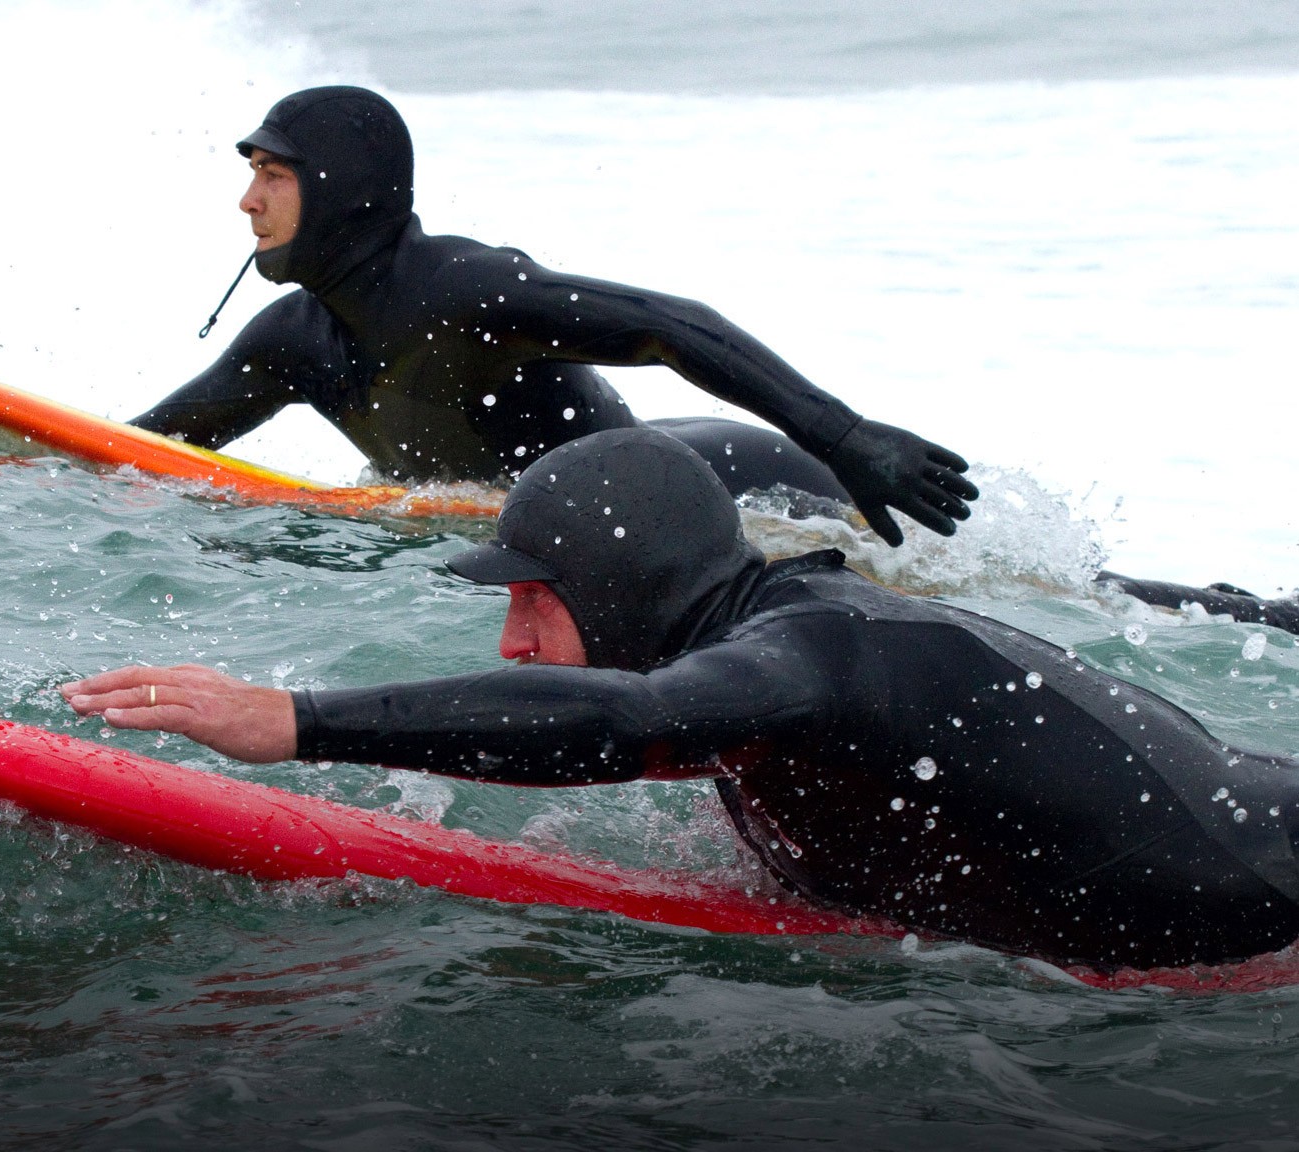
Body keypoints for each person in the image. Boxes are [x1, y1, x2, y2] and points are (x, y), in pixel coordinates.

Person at [64, 427, 1299, 971]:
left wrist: (295, 724)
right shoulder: (769, 658)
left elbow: (622, 723)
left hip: (1261, 893)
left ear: (625, 582)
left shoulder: (805, 654)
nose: (514, 637)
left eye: (537, 599)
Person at [131, 85, 977, 547]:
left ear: (342, 188)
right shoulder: (293, 344)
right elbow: (140, 454)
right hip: (554, 523)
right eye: (253, 175)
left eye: (275, 174)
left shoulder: (463, 293)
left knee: (962, 569)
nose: (247, 201)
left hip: (722, 482)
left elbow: (670, 323)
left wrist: (847, 434)